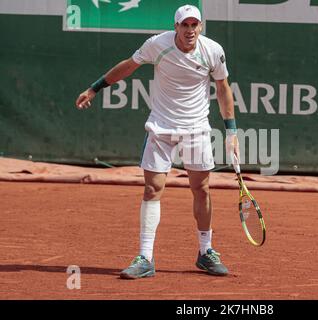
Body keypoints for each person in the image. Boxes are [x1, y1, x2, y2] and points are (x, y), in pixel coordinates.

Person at [75, 4, 239, 278]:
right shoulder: (157, 45)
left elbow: (223, 90)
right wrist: (95, 87)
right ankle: (145, 257)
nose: (189, 30)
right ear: (175, 27)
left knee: (201, 188)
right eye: (184, 25)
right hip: (161, 126)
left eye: (194, 25)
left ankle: (206, 251)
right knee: (152, 189)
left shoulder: (213, 50)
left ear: (200, 26)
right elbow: (128, 66)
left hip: (196, 128)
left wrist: (231, 132)